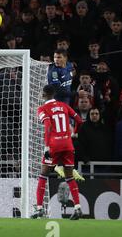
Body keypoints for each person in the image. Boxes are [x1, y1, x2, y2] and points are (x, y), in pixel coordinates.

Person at [32, 85, 84, 220]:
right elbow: (79, 120)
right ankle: (77, 207)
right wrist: (75, 133)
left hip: (54, 146)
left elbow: (48, 125)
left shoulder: (42, 109)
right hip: (67, 144)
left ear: (43, 95)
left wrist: (46, 147)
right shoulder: (63, 105)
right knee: (69, 177)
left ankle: (39, 209)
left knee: (43, 175)